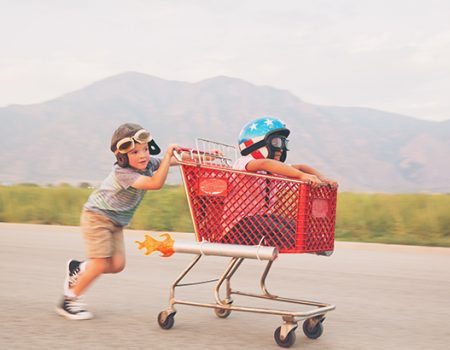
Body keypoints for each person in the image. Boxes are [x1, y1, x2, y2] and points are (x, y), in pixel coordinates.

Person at [56, 123, 180, 320]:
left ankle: (78, 268)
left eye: (146, 149)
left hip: (115, 221)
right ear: (122, 157)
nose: (143, 155)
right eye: (135, 152)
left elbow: (175, 159)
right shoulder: (124, 173)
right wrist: (166, 157)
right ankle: (68, 300)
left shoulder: (148, 164)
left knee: (117, 265)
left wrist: (204, 156)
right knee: (99, 263)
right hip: (97, 217)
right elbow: (155, 183)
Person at [224, 116, 336, 252]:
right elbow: (265, 163)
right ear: (256, 143)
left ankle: (314, 243)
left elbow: (301, 166)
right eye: (277, 143)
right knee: (267, 223)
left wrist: (323, 179)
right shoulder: (243, 162)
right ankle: (304, 243)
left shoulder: (273, 172)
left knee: (293, 225)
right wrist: (300, 175)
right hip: (236, 228)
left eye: (284, 144)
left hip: (259, 224)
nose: (282, 149)